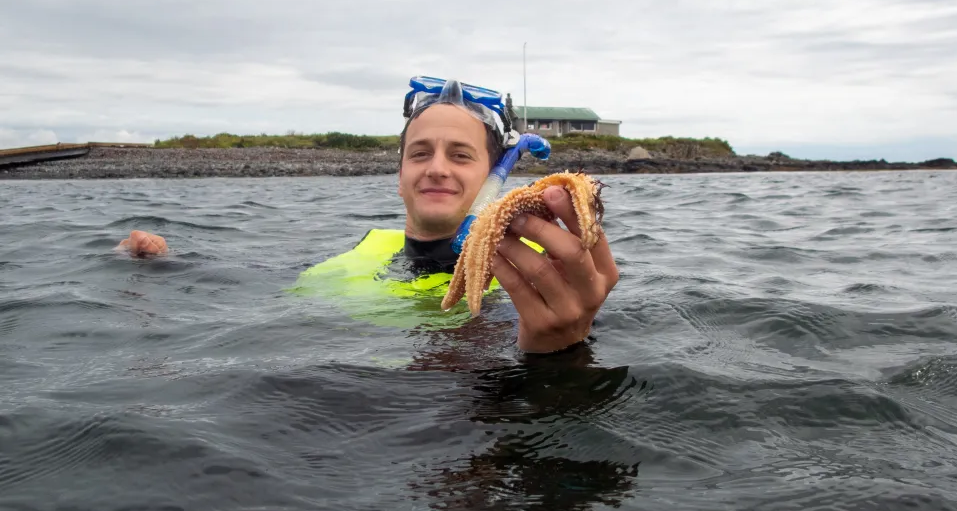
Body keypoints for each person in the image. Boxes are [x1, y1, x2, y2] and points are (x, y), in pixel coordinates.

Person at [117, 77, 619, 354]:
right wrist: (160, 261)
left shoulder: (550, 281)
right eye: (420, 153)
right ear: (400, 174)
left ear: (494, 173)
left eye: (461, 155)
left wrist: (561, 351)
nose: (437, 168)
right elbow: (240, 287)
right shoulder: (344, 264)